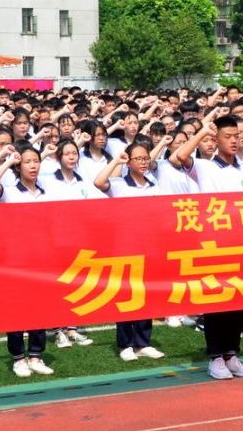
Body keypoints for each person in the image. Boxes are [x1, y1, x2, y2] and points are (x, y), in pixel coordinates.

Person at [169, 112, 243, 381]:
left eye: (237, 136)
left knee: (240, 301)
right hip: (215, 244)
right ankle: (216, 357)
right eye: (227, 136)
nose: (234, 141)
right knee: (217, 299)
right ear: (216, 139)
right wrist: (202, 132)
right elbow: (179, 156)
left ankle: (232, 354)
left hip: (242, 243)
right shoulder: (205, 166)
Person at [0, 143, 58, 377]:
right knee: (16, 309)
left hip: (41, 259)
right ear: (19, 166)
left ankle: (36, 355)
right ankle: (18, 357)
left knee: (40, 307)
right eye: (27, 162)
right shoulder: (10, 191)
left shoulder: (46, 192)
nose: (33, 166)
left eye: (36, 161)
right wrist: (9, 160)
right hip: (15, 259)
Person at [94, 139, 167, 362]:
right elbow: (98, 182)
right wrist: (117, 160)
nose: (143, 162)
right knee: (126, 295)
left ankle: (143, 342)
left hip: (149, 248)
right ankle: (125, 344)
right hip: (125, 248)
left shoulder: (154, 185)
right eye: (138, 159)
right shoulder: (119, 184)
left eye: (146, 158)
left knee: (145, 295)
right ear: (129, 161)